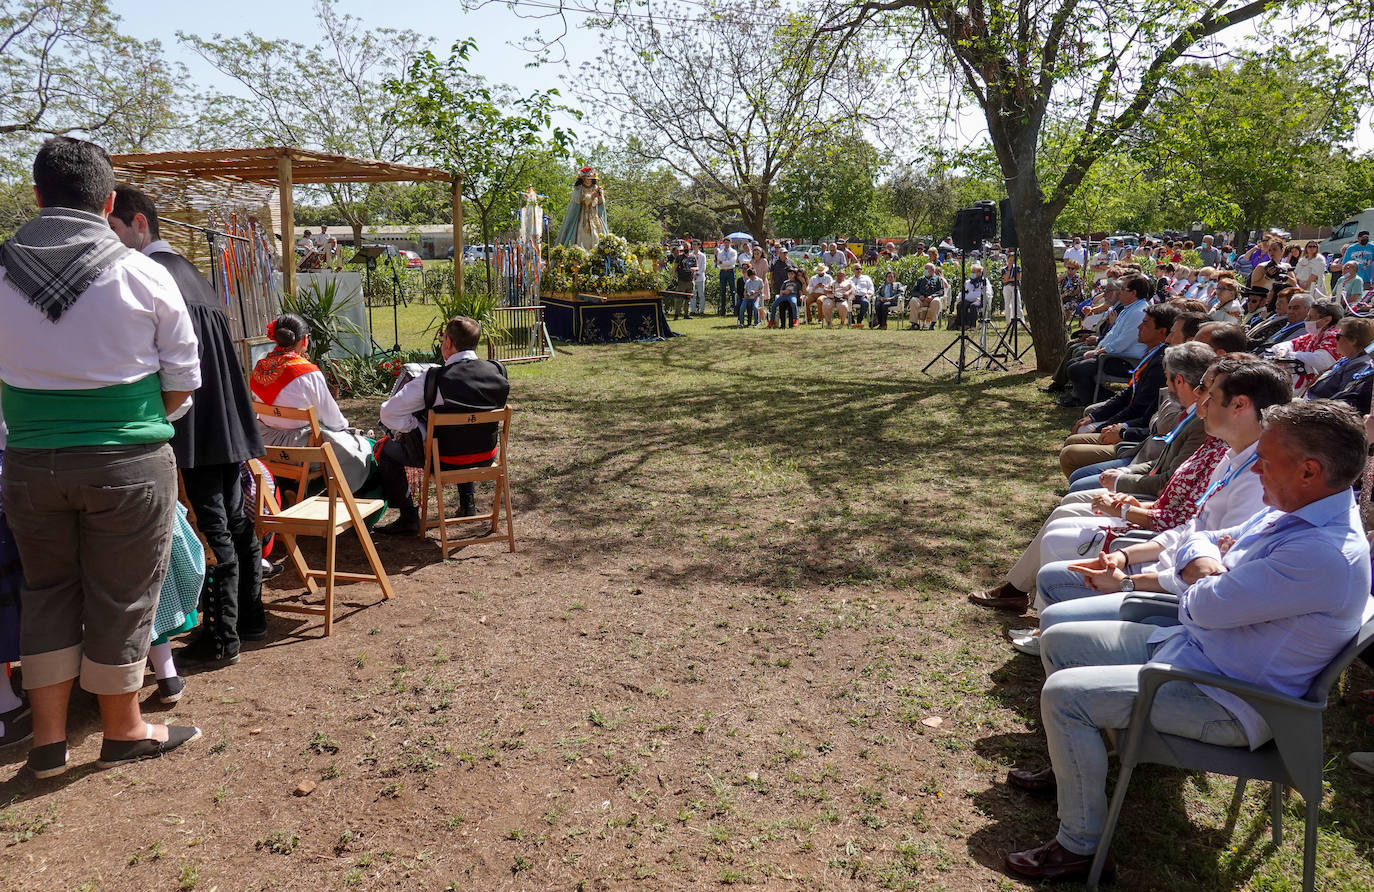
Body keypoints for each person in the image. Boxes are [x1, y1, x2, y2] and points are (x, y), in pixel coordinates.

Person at [1002, 400, 1369, 883]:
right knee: (1062, 640)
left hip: (1228, 697)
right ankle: (1075, 765)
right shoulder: (1296, 514)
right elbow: (1205, 538)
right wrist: (1202, 561)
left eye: (1268, 457)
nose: (1256, 465)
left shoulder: (1321, 552)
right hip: (1202, 656)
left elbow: (1203, 603)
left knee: (1065, 697)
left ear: (1309, 470)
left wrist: (1204, 565)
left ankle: (1080, 848)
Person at [0, 137, 202, 777]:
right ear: (108, 201)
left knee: (47, 592)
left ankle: (48, 742)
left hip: (30, 465)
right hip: (128, 464)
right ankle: (125, 729)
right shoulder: (146, 274)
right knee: (122, 594)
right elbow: (181, 383)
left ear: (36, 197)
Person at [110, 186, 266, 668]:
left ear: (139, 223)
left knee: (213, 523)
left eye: (113, 228)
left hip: (193, 419)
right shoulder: (191, 273)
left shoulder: (151, 274)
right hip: (223, 416)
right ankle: (249, 617)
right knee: (234, 520)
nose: (110, 240)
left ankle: (223, 636)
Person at [374, 317, 510, 535]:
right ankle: (467, 504)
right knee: (465, 435)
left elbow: (388, 412)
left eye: (442, 338)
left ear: (448, 343)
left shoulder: (434, 379)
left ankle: (409, 517)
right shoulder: (498, 371)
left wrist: (420, 429)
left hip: (444, 460)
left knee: (385, 450)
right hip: (486, 456)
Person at [1062, 276, 1152, 408]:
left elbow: (1122, 342)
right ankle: (1092, 397)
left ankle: (1098, 399)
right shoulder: (1130, 308)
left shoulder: (1138, 312)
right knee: (1073, 363)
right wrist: (1098, 349)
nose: (1119, 292)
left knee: (1076, 368)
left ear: (1134, 293)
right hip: (1114, 356)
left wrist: (1098, 352)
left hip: (1125, 361)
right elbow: (1112, 335)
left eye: (1123, 289)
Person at [1269, 297, 1342, 392]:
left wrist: (1291, 355)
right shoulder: (1313, 336)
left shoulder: (1334, 336)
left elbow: (1322, 361)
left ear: (1326, 320)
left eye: (1311, 317)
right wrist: (1282, 351)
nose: (1306, 319)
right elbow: (1284, 345)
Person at [1304, 316, 1374, 402]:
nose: (1335, 340)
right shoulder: (1348, 359)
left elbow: (1342, 399)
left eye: (1338, 337)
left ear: (1353, 340)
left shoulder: (1360, 363)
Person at [555, 167, 609, 250]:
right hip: (582, 216)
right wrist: (591, 196)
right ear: (582, 179)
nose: (588, 181)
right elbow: (577, 200)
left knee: (597, 235)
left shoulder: (596, 187)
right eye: (586, 179)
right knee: (583, 236)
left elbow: (600, 203)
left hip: (594, 216)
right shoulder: (578, 188)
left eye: (590, 179)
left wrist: (599, 196)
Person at [908, 263, 946, 330]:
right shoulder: (920, 279)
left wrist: (933, 296)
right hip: (921, 300)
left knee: (937, 301)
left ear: (933, 270)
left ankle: (932, 324)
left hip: (932, 300)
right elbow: (914, 291)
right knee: (913, 300)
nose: (925, 270)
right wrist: (919, 296)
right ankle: (914, 324)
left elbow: (941, 291)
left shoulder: (938, 279)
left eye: (926, 269)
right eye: (924, 269)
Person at [955, 263, 987, 328]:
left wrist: (980, 298)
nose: (972, 273)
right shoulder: (968, 282)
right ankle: (962, 324)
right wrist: (960, 298)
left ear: (980, 273)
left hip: (978, 300)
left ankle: (973, 325)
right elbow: (963, 291)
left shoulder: (984, 282)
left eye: (974, 272)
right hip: (968, 299)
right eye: (972, 272)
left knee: (973, 306)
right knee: (961, 304)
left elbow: (987, 292)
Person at [714, 237, 737, 317]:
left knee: (733, 291)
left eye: (728, 242)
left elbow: (732, 262)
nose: (726, 244)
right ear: (723, 243)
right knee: (722, 292)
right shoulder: (720, 252)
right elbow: (718, 263)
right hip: (723, 272)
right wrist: (724, 263)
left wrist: (723, 262)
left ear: (730, 243)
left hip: (730, 271)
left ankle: (735, 310)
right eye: (725, 243)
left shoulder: (733, 252)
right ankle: (722, 310)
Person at [688, 240, 708, 316]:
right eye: (693, 244)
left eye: (695, 244)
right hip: (692, 278)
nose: (694, 246)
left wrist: (697, 274)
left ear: (699, 246)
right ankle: (693, 310)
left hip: (700, 278)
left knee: (701, 294)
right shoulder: (690, 255)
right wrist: (693, 274)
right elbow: (689, 266)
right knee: (693, 294)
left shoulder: (702, 255)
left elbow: (703, 267)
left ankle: (702, 311)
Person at [1002, 250, 1022, 322]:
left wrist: (1008, 279)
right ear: (1007, 260)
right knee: (1007, 305)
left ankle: (1020, 320)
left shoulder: (1017, 268)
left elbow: (1018, 278)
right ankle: (1008, 321)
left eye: (1013, 260)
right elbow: (1004, 280)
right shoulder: (1004, 269)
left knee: (1017, 303)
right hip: (1007, 287)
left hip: (1015, 286)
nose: (1011, 261)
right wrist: (1009, 270)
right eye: (1010, 260)